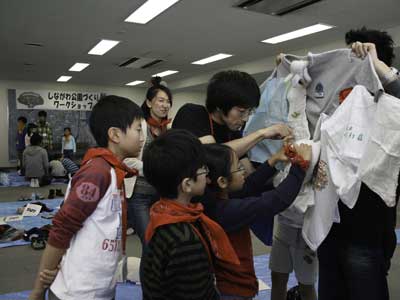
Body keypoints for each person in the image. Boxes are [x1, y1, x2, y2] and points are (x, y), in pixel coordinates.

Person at [28, 95, 144, 300]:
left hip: (100, 287)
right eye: (137, 129)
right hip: (77, 292)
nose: (142, 136)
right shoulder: (97, 172)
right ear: (115, 134)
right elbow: (62, 227)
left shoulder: (113, 171)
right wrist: (38, 290)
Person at [317, 28, 400, 300]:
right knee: (332, 290)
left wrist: (382, 71)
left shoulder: (389, 104)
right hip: (330, 224)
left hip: (368, 229)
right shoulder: (341, 100)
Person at [202, 142, 311, 299]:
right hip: (233, 291)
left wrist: (273, 161)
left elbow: (248, 187)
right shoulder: (227, 212)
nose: (243, 171)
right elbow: (275, 201)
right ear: (222, 181)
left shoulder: (213, 201)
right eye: (238, 168)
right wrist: (300, 166)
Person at [140, 129, 239, 300]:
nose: (207, 175)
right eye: (202, 169)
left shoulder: (161, 214)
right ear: (186, 185)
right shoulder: (184, 240)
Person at [172, 70, 292, 174]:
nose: (245, 119)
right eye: (241, 111)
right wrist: (263, 134)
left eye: (249, 112)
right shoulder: (192, 113)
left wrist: (279, 159)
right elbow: (209, 154)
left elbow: (249, 175)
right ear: (220, 105)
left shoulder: (233, 131)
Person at [125, 76, 172, 243]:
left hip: (161, 195)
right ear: (149, 103)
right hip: (139, 194)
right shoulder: (139, 125)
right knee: (149, 241)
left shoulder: (168, 129)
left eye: (168, 101)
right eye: (160, 100)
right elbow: (126, 159)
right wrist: (153, 170)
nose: (165, 105)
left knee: (160, 243)